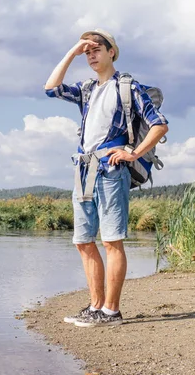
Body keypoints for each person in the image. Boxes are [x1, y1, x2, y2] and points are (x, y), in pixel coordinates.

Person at [44, 29, 169, 327]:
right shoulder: (86, 89)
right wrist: (72, 51)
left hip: (112, 172)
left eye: (96, 48)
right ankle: (95, 307)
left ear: (112, 52)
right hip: (83, 170)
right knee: (83, 242)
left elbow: (159, 125)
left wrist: (133, 153)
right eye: (87, 52)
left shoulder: (128, 87)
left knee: (111, 241)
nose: (91, 54)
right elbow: (51, 88)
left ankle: (111, 312)